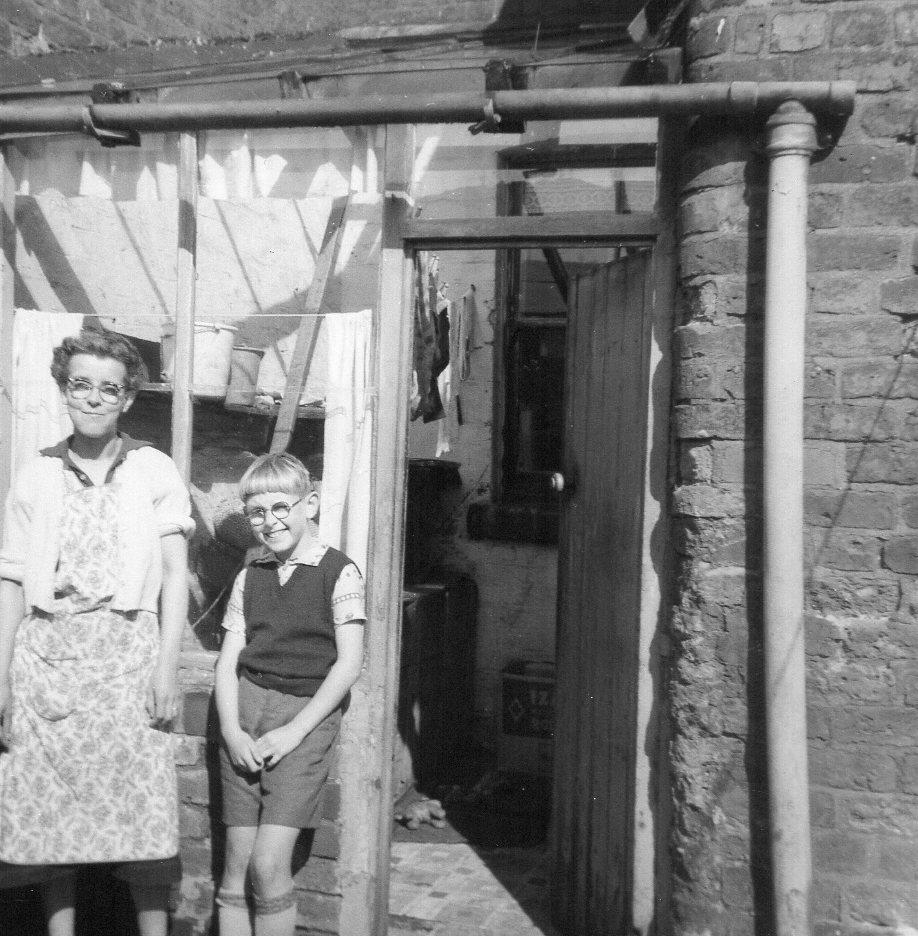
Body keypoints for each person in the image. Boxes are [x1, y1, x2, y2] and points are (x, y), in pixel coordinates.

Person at [0, 327, 193, 936]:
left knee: (142, 812)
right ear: (63, 389)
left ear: (128, 398)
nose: (92, 398)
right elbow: (8, 580)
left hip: (128, 661)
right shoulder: (34, 475)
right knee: (53, 818)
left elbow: (172, 573)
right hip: (47, 663)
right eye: (80, 384)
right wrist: (2, 677)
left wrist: (167, 668)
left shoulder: (153, 469)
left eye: (107, 389)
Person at [214, 453, 365, 936]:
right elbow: (226, 662)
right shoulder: (249, 576)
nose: (270, 521)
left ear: (310, 505)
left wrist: (295, 732)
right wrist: (232, 731)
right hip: (245, 713)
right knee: (235, 870)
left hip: (303, 721)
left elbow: (349, 664)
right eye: (257, 513)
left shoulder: (338, 573)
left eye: (282, 507)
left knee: (267, 865)